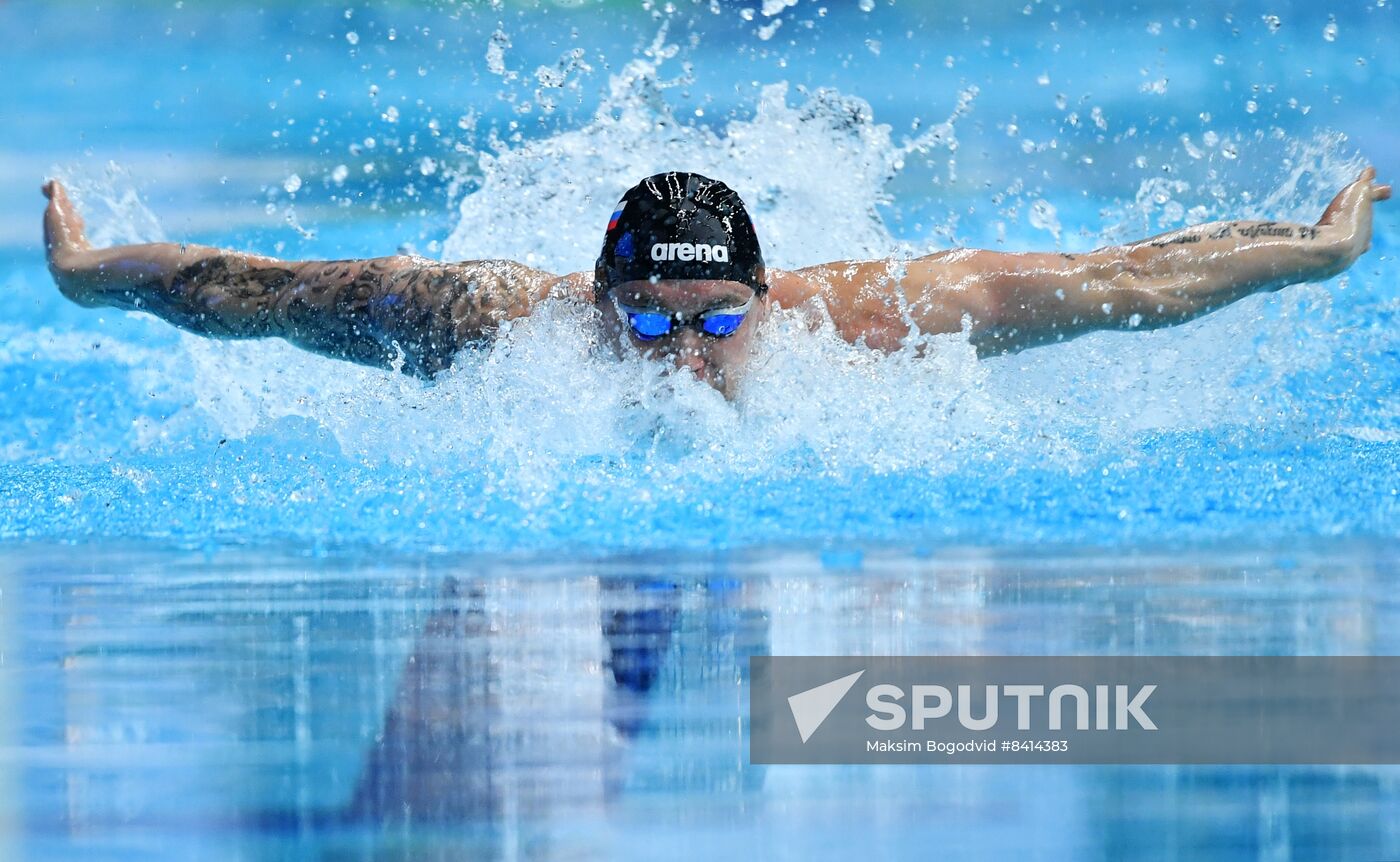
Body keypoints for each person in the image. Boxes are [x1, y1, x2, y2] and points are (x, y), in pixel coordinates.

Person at [42, 168, 1389, 398]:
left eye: (717, 320)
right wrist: (98, 274)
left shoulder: (877, 317)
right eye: (648, 319)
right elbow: (258, 288)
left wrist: (1313, 255)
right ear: (595, 292)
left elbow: (1128, 280)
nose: (683, 358)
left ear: (770, 289)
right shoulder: (496, 325)